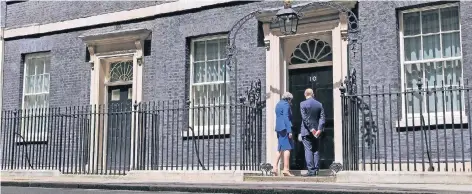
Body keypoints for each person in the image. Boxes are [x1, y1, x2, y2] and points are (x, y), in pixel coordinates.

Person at [300, 88, 325, 176]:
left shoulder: (302, 104)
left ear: (305, 94)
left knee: (308, 150)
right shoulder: (319, 104)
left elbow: (304, 118)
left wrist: (311, 129)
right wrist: (319, 129)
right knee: (316, 150)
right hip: (317, 132)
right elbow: (322, 118)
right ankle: (317, 170)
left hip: (306, 131)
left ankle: (311, 170)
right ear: (313, 94)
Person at [273, 92, 295, 177]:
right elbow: (286, 117)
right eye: (290, 100)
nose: (291, 102)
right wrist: (289, 130)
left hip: (278, 128)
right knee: (287, 148)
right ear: (288, 99)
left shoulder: (278, 104)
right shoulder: (286, 105)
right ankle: (286, 169)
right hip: (285, 128)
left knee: (280, 148)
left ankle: (274, 168)